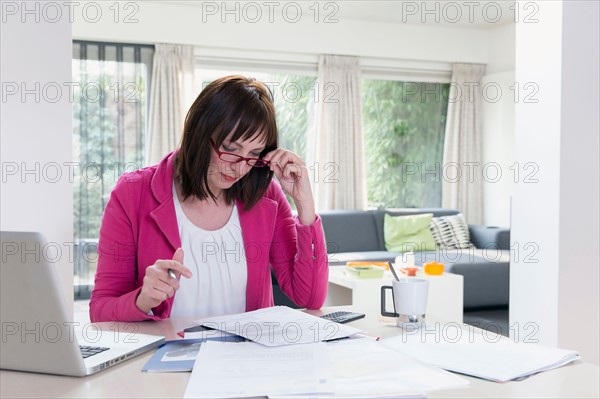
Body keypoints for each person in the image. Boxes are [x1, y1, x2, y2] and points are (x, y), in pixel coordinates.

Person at [89, 75, 329, 322]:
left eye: (254, 154)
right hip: (170, 356)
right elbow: (100, 311)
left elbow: (310, 297)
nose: (239, 167)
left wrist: (304, 203)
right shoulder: (132, 194)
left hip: (249, 357)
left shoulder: (266, 197)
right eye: (231, 148)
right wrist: (143, 300)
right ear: (200, 134)